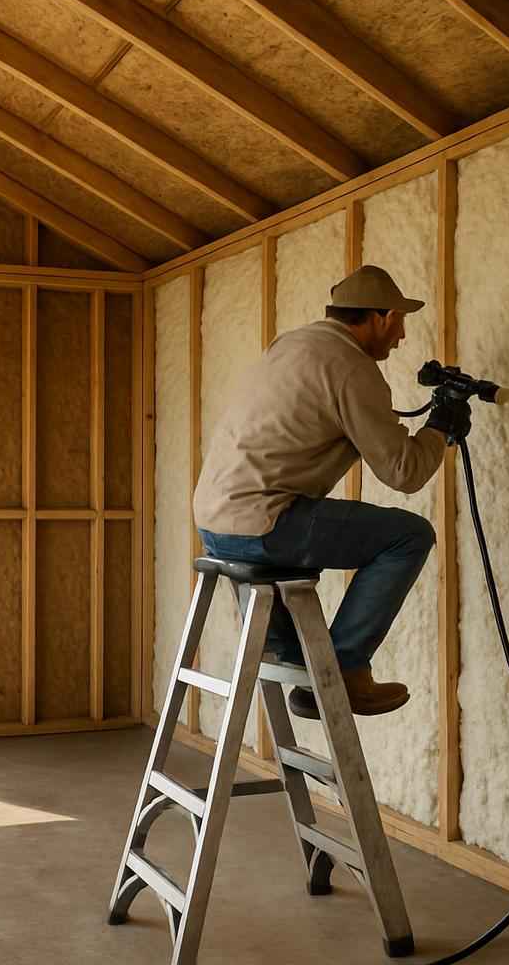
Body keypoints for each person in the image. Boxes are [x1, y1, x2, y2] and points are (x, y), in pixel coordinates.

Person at [192, 264, 470, 720]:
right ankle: (344, 669)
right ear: (379, 317)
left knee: (306, 526)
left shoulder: (294, 344)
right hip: (262, 522)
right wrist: (440, 427)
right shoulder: (351, 368)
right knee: (410, 536)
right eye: (399, 321)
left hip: (216, 523)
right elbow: (404, 473)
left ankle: (297, 666)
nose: (400, 336)